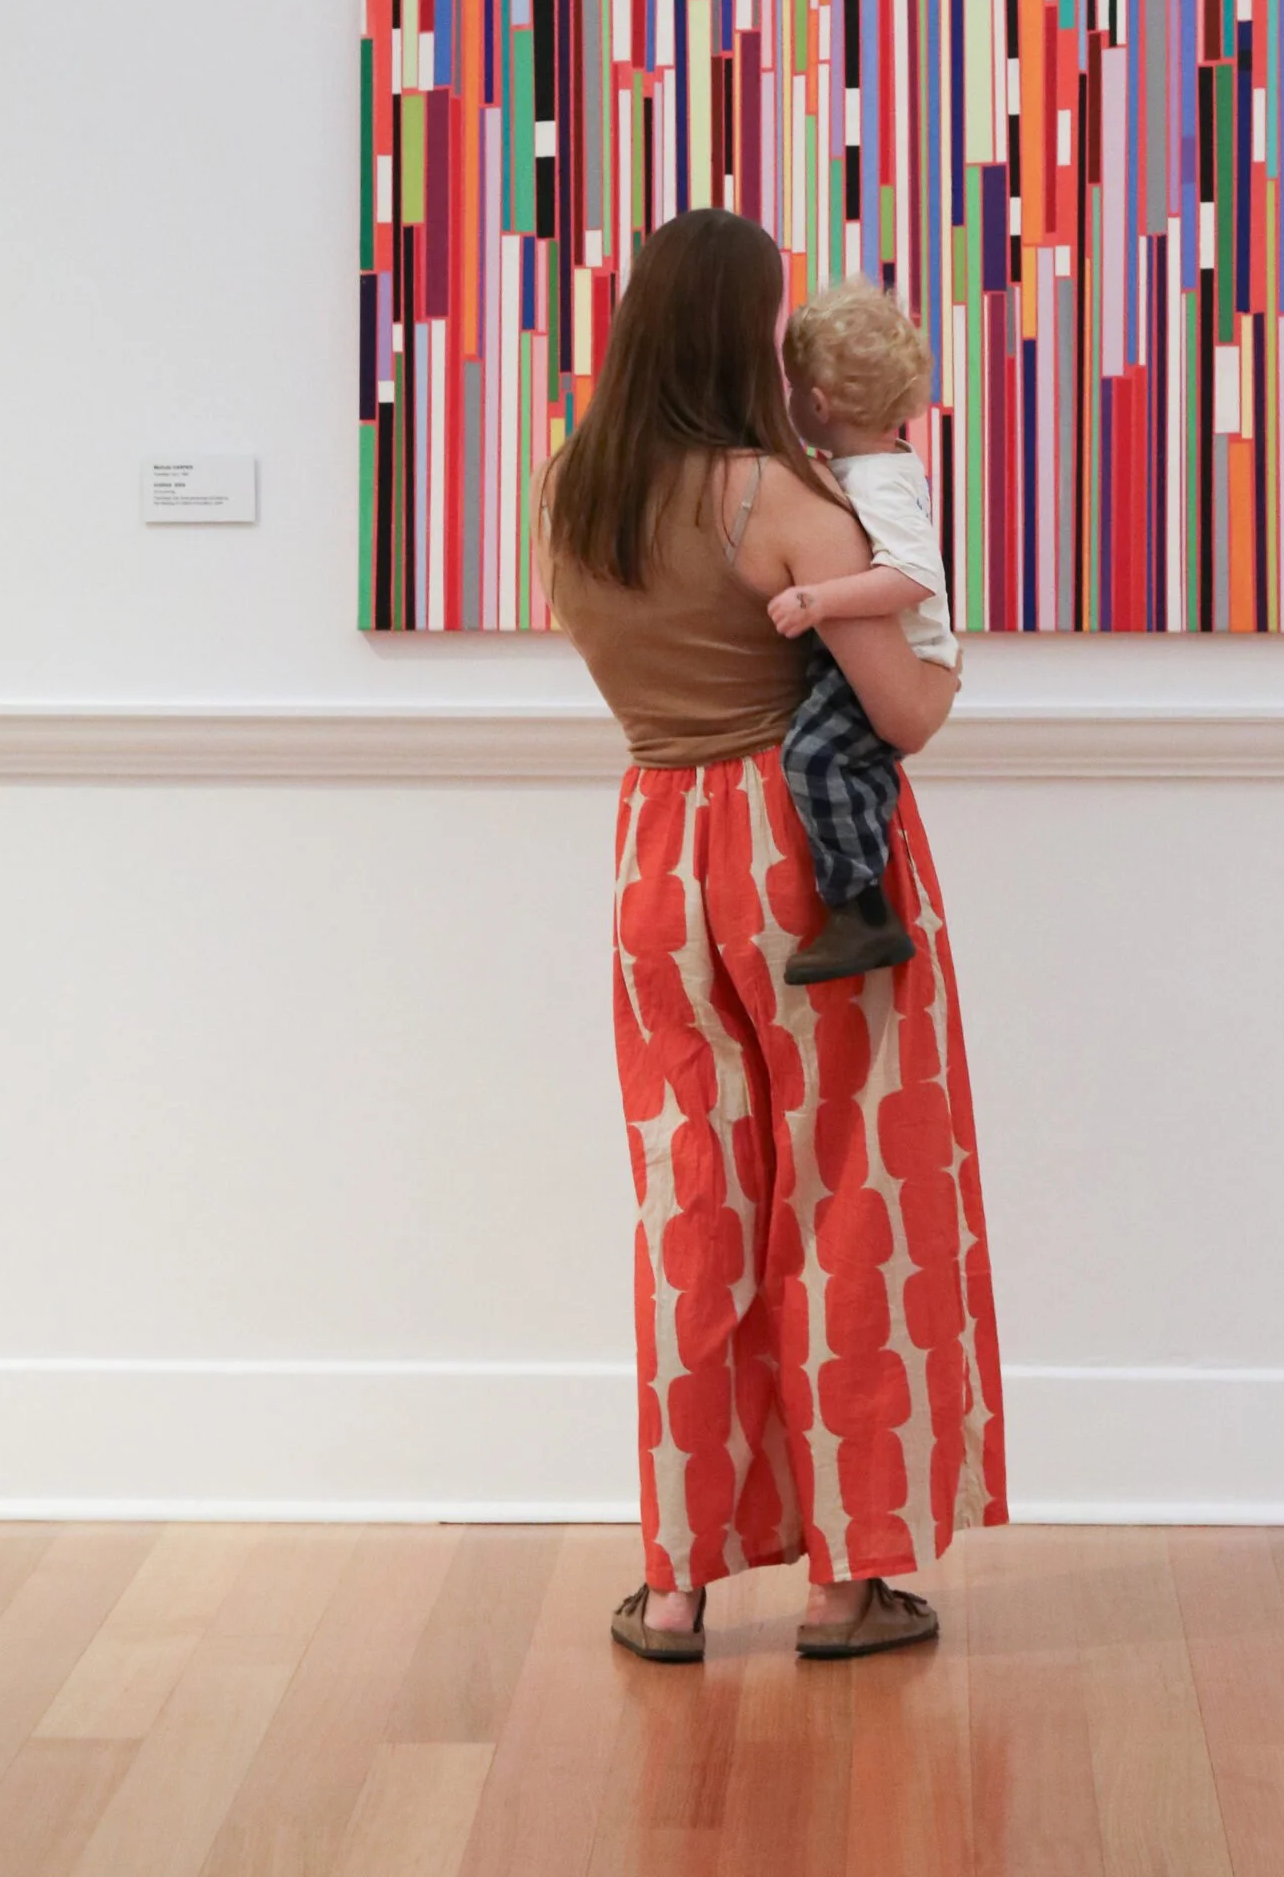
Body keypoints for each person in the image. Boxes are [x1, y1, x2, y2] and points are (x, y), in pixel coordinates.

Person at [537, 209, 1007, 1665]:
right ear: (752, 336)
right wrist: (947, 639)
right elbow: (906, 715)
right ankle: (845, 1586)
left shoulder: (575, 495)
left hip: (654, 856)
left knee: (693, 1205)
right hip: (803, 864)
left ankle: (674, 1583)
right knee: (851, 1192)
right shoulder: (781, 504)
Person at [767, 279, 958, 989]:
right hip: (883, 660)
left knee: (814, 759)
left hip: (906, 657)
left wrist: (820, 598)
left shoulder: (878, 480)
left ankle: (860, 908)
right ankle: (866, 894)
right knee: (851, 769)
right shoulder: (864, 468)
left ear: (816, 403)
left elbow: (913, 577)